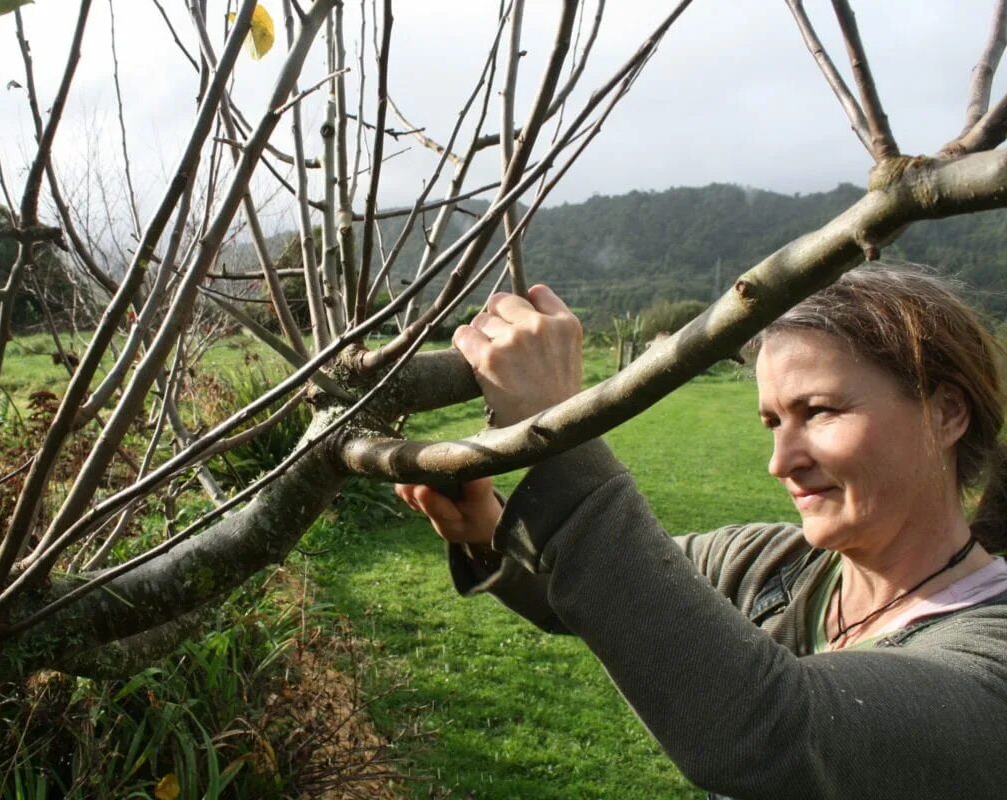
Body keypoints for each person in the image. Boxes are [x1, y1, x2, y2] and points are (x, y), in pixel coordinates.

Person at [394, 268, 1007, 800]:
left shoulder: (990, 651)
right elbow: (596, 593)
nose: (780, 460)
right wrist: (486, 525)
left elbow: (773, 731)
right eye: (772, 421)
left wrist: (561, 438)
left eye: (818, 411)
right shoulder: (768, 564)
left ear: (947, 413)